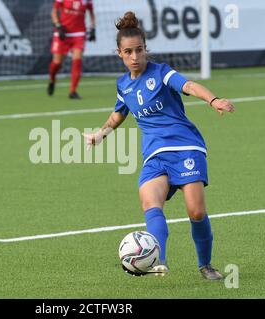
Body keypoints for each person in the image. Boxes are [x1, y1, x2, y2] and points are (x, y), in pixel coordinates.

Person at [82, 12, 235, 280]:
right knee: (151, 203)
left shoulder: (162, 72)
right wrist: (100, 134)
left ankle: (205, 265)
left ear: (145, 49)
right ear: (119, 53)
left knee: (196, 211)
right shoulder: (123, 86)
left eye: (139, 50)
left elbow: (188, 85)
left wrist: (213, 100)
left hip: (185, 146)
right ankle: (157, 259)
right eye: (128, 52)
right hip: (154, 155)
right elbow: (118, 114)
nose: (134, 56)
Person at [47, 0, 96, 100]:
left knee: (77, 61)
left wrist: (93, 28)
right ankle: (52, 79)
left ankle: (72, 91)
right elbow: (54, 11)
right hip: (63, 33)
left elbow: (91, 13)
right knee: (56, 63)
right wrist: (58, 25)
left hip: (79, 34)